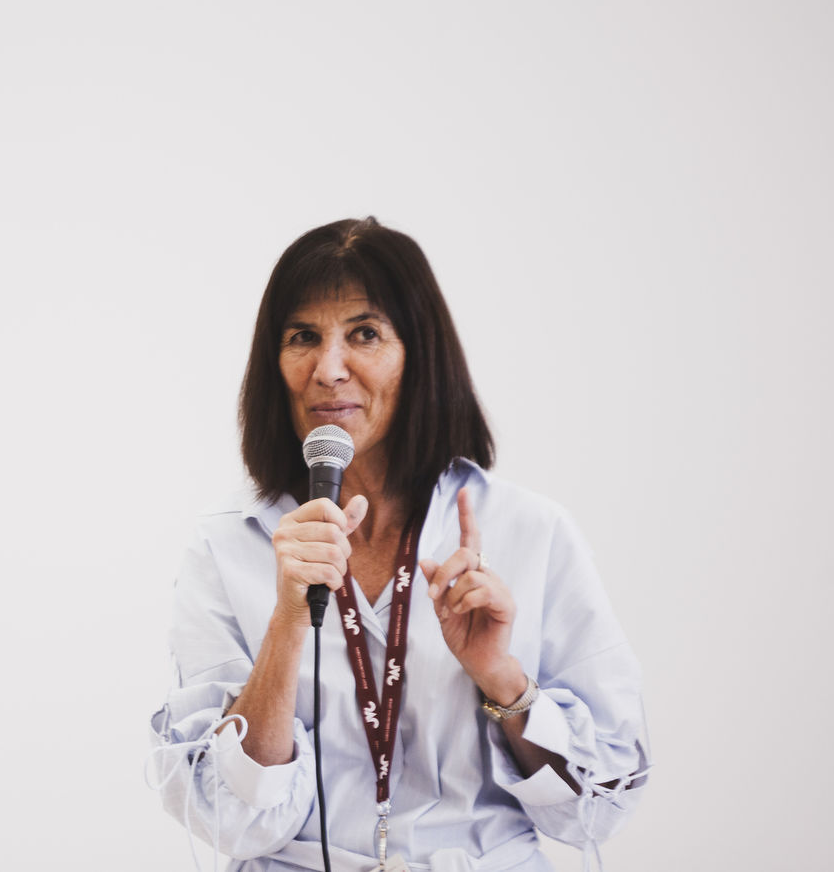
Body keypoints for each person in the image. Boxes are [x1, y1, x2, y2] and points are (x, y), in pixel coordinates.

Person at [147, 218, 650, 872]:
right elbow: (231, 820)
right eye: (303, 337)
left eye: (364, 334)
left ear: (421, 355)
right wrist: (289, 620)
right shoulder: (226, 546)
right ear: (275, 364)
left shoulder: (531, 531)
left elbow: (599, 808)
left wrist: (502, 677)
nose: (329, 369)